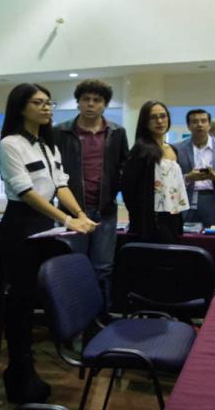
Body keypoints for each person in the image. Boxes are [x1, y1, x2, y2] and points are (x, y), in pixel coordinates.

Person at [0, 83, 97, 404]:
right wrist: (68, 221)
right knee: (20, 302)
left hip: (45, 224)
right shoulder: (11, 144)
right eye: (38, 103)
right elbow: (26, 192)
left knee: (36, 296)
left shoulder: (47, 144)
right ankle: (19, 371)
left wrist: (80, 213)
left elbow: (60, 184)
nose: (46, 108)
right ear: (21, 107)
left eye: (48, 102)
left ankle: (30, 368)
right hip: (20, 225)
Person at [54, 79, 129, 305]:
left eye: (96, 100)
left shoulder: (117, 132)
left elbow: (123, 168)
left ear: (104, 105)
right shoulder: (60, 132)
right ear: (77, 103)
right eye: (85, 99)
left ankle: (99, 319)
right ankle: (73, 319)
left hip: (105, 210)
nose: (90, 104)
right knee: (72, 265)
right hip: (71, 212)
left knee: (103, 268)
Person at [121, 100, 189, 243]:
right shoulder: (140, 150)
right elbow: (129, 190)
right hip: (150, 221)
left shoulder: (172, 148)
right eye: (153, 117)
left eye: (163, 116)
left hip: (173, 215)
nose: (159, 121)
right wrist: (140, 219)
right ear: (145, 122)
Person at [173, 109, 215, 227]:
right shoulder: (177, 148)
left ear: (209, 125)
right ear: (188, 126)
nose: (200, 124)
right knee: (187, 241)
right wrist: (187, 177)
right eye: (195, 121)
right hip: (186, 202)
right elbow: (170, 178)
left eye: (203, 121)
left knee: (214, 241)